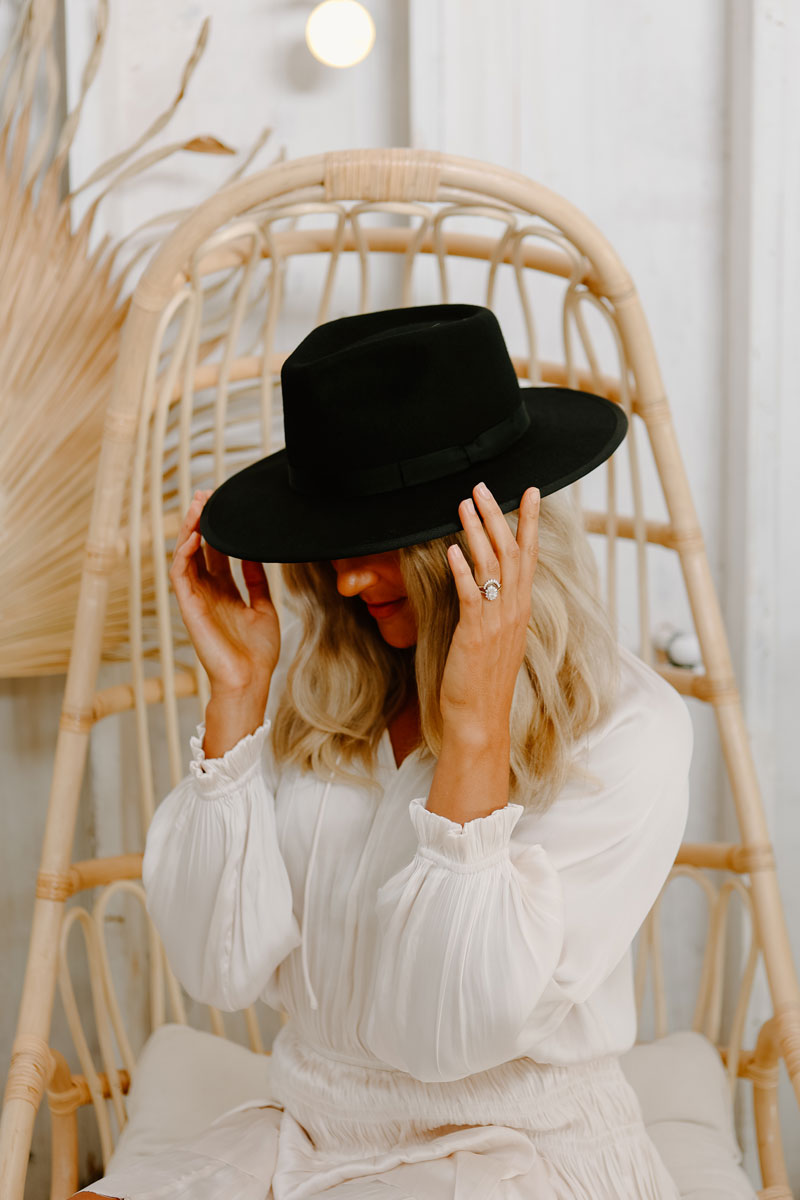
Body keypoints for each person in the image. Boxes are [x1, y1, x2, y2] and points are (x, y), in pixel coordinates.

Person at [75, 304, 691, 1199]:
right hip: (309, 1135)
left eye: (380, 543)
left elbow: (449, 1029)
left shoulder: (630, 729)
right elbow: (220, 967)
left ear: (483, 537)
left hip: (508, 1153)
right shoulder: (336, 693)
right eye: (332, 546)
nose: (346, 581)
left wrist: (475, 718)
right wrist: (238, 694)